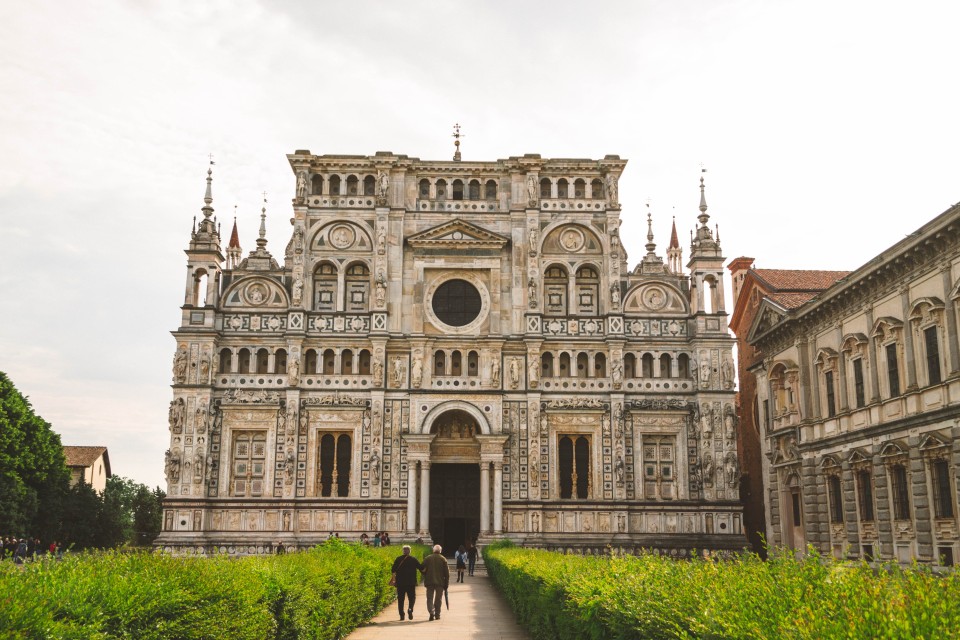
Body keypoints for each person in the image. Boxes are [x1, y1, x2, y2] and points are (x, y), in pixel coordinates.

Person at [391, 545, 423, 621]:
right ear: (410, 551)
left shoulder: (398, 559)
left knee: (401, 599)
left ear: (403, 551)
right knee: (412, 598)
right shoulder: (413, 559)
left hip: (400, 583)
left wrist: (394, 579)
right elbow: (420, 568)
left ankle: (402, 615)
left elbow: (393, 570)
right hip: (411, 583)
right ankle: (410, 609)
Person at [422, 544, 450, 621]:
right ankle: (437, 614)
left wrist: (425, 575)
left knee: (429, 598)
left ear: (433, 550)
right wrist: (446, 584)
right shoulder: (443, 559)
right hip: (440, 582)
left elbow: (422, 568)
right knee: (438, 599)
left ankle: (431, 611)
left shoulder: (427, 558)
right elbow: (447, 574)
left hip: (429, 581)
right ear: (440, 551)